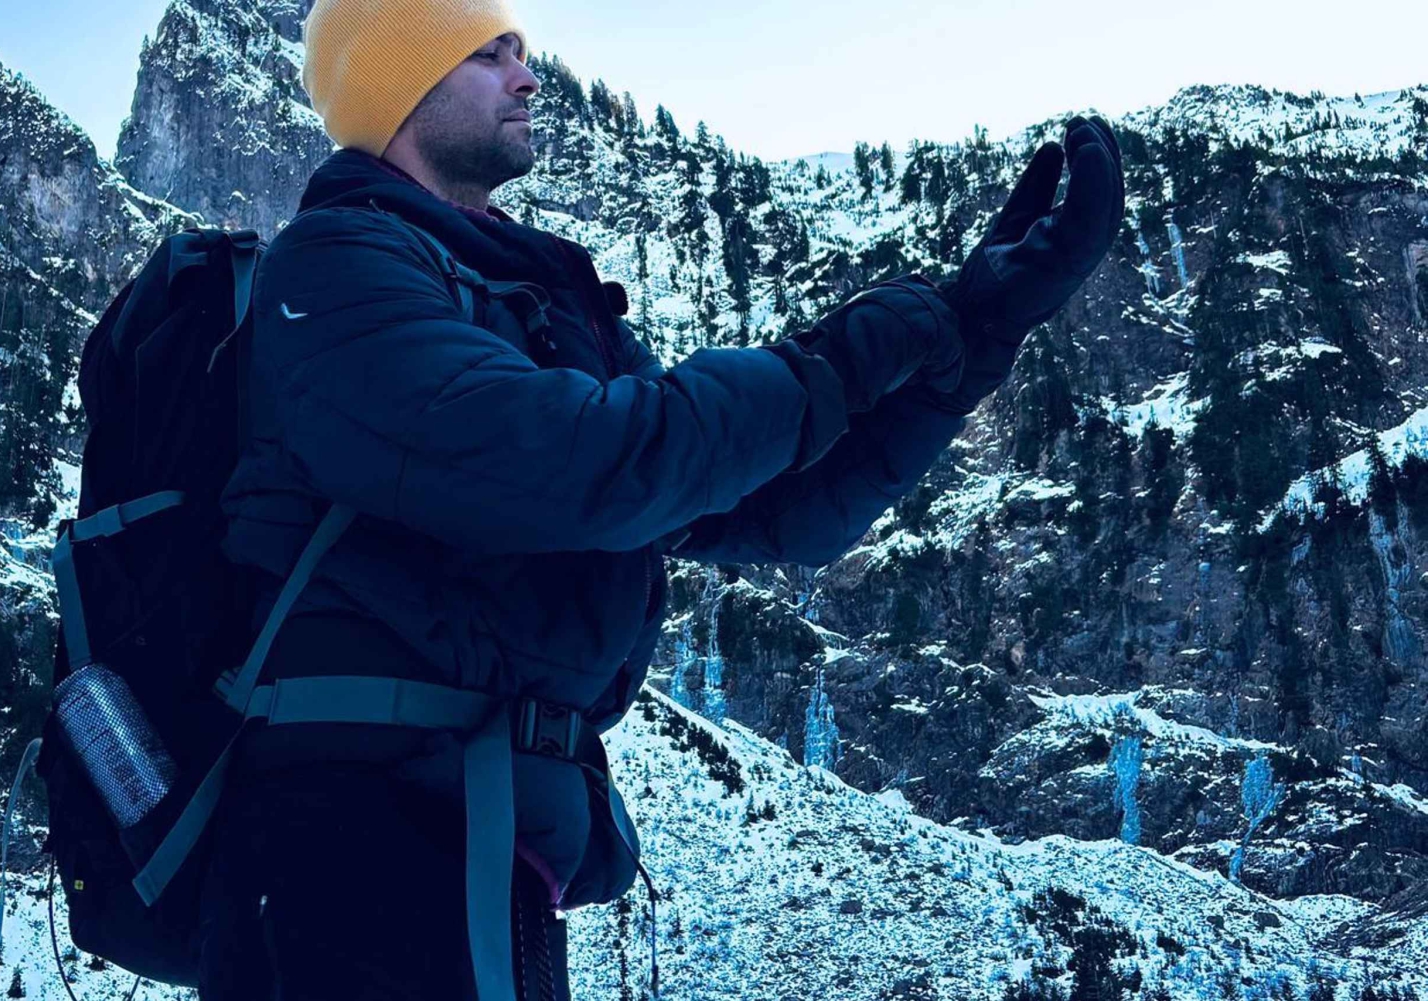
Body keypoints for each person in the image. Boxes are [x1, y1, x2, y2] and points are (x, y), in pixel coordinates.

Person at [198, 0, 1125, 997]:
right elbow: (588, 464)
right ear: (397, 85)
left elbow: (771, 504)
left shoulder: (526, 297)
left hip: (483, 828)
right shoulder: (337, 269)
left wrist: (970, 337)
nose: (527, 76)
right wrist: (868, 344)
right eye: (489, 53)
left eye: (524, 52)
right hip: (343, 845)